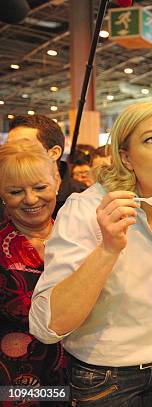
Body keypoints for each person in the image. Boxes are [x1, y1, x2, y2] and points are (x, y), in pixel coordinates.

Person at [29, 101, 152, 406]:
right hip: (104, 378)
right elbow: (48, 326)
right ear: (125, 156)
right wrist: (108, 249)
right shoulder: (86, 210)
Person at [0, 141, 65, 396]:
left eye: (40, 187)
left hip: (86, 378)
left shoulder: (81, 237)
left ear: (57, 183)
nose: (30, 199)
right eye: (16, 191)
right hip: (18, 383)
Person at [4, 114, 87, 217]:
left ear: (54, 153)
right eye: (8, 147)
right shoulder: (5, 196)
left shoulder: (82, 197)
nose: (13, 153)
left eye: (24, 146)